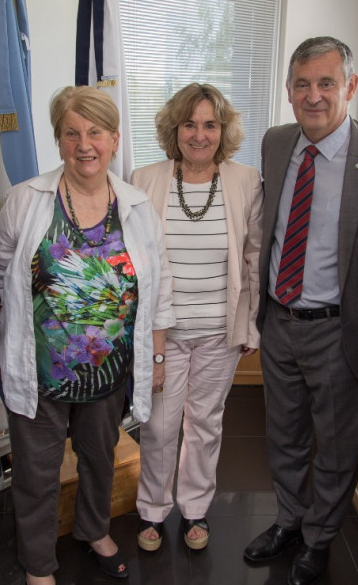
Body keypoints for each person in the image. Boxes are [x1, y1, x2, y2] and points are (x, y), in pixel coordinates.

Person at [0, 86, 174, 585]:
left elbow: (160, 285)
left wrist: (156, 357)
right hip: (40, 371)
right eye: (72, 132)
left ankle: (93, 530)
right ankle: (37, 565)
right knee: (36, 474)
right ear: (58, 140)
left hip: (108, 373)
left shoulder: (137, 205)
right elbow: (0, 266)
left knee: (99, 458)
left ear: (114, 139)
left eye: (95, 131)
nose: (84, 143)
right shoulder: (27, 200)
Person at [243, 36, 358, 585]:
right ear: (288, 91)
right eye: (303, 84)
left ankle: (319, 541)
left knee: (335, 447)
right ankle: (290, 520)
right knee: (283, 435)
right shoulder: (276, 141)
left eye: (326, 83)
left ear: (351, 87)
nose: (313, 96)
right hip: (279, 321)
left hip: (338, 330)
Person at [130, 83, 262, 552]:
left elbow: (254, 256)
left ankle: (196, 509)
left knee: (205, 423)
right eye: (190, 124)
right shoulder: (143, 180)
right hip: (163, 334)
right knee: (160, 426)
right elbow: (133, 261)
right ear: (174, 129)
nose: (200, 135)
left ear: (223, 130)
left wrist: (249, 324)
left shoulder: (246, 181)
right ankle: (152, 510)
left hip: (218, 334)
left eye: (210, 124)